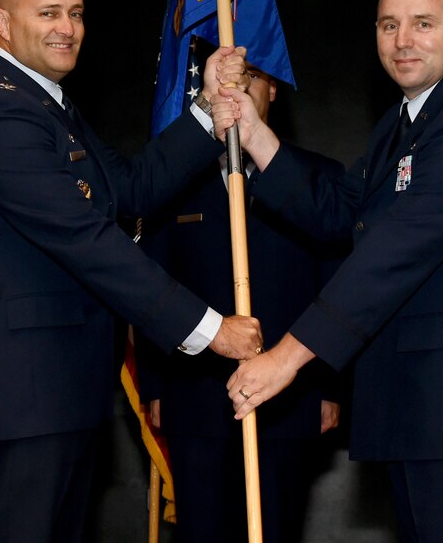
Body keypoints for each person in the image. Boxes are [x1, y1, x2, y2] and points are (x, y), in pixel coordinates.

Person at [214, 0, 443, 542]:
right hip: (415, 411)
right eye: (389, 25)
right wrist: (252, 127)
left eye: (423, 23)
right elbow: (340, 210)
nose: (403, 40)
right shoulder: (402, 124)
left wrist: (285, 359)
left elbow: (391, 254)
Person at [0, 0, 264, 543]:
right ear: (3, 23)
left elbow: (131, 189)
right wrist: (208, 328)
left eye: (76, 13)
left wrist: (207, 103)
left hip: (60, 396)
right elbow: (86, 241)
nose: (67, 27)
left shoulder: (47, 104)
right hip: (23, 403)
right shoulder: (0, 112)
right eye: (48, 13)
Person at [134, 60, 350, 543]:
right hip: (195, 396)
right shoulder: (173, 183)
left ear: (273, 88)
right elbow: (150, 283)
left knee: (275, 528)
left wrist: (329, 388)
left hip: (290, 400)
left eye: (251, 75)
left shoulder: (319, 180)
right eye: (229, 77)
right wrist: (154, 385)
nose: (239, 86)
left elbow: (337, 290)